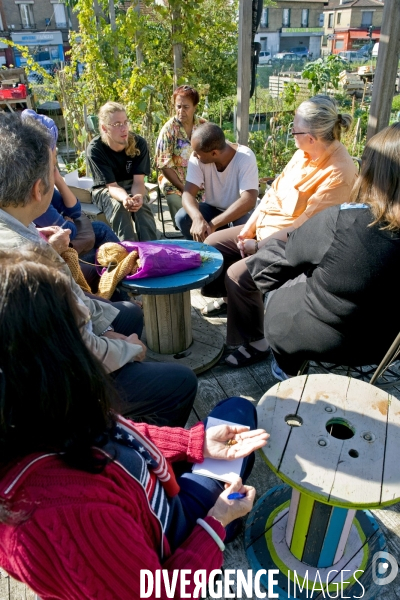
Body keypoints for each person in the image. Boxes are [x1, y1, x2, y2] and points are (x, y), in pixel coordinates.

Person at [0, 249, 269, 599]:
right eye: (79, 330)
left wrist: (192, 444)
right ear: (54, 358)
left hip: (150, 501)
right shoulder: (71, 513)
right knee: (241, 414)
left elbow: (118, 434)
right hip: (170, 534)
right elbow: (155, 590)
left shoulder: (34, 415)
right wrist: (216, 524)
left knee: (235, 412)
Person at [0, 111, 197, 427]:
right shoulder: (31, 264)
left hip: (37, 365)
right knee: (181, 382)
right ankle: (122, 439)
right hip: (52, 391)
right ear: (39, 188)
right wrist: (127, 348)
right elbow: (81, 346)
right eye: (54, 172)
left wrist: (107, 330)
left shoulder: (22, 235)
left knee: (128, 313)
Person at [202, 95, 358, 366]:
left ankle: (258, 341)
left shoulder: (339, 173)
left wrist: (259, 246)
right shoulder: (303, 153)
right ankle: (234, 302)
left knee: (239, 275)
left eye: (294, 129)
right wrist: (249, 229)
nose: (291, 133)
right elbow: (272, 194)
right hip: (267, 230)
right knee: (214, 243)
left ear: (311, 136)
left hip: (296, 245)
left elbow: (306, 229)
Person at [247, 122, 400, 379]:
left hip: (323, 341)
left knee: (279, 265)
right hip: (387, 350)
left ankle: (284, 369)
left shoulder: (347, 219)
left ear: (374, 172)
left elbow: (291, 251)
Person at [21, 110, 122, 295]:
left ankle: (121, 289)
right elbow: (70, 229)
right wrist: (69, 220)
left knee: (100, 229)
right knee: (102, 240)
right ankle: (122, 292)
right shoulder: (32, 188)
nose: (56, 152)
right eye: (54, 149)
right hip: (53, 256)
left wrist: (58, 178)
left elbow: (74, 210)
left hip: (58, 244)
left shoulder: (44, 177)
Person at [175, 122, 259, 242]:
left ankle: (230, 256)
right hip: (213, 210)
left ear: (214, 153)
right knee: (183, 217)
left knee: (246, 230)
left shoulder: (245, 157)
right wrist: (198, 218)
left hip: (240, 213)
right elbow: (187, 195)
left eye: (198, 153)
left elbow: (249, 201)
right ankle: (204, 250)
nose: (194, 155)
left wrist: (213, 225)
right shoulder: (197, 159)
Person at [87, 101, 158, 241]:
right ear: (104, 128)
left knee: (141, 205)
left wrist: (137, 196)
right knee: (119, 206)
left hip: (132, 184)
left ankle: (152, 249)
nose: (124, 128)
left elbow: (138, 181)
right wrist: (125, 198)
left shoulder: (139, 143)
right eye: (118, 124)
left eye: (125, 122)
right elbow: (112, 186)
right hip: (105, 188)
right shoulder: (95, 149)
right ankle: (127, 252)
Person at [156, 85, 207, 227]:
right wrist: (184, 188)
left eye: (186, 107)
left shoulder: (203, 126)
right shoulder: (169, 130)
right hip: (175, 181)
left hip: (200, 180)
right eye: (178, 106)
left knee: (214, 202)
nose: (181, 111)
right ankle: (184, 230)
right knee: (175, 201)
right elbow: (163, 165)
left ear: (195, 106)